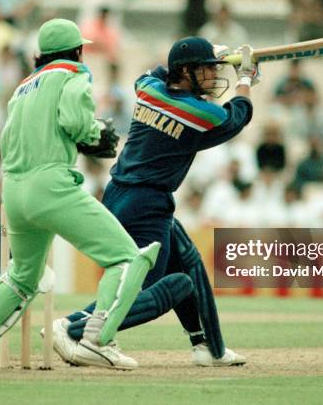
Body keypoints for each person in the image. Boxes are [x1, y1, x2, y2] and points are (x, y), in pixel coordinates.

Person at [0, 18, 161, 371]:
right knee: (126, 258)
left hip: (14, 190)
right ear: (77, 51)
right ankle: (96, 340)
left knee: (22, 276)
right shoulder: (73, 74)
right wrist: (93, 134)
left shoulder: (22, 87)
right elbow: (75, 121)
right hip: (52, 185)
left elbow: (8, 139)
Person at [50, 36, 259, 367]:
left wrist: (212, 56)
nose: (214, 76)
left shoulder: (148, 87)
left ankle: (208, 347)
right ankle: (71, 327)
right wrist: (246, 78)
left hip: (120, 192)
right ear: (185, 72)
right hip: (146, 204)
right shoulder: (197, 112)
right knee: (140, 287)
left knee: (187, 261)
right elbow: (237, 115)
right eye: (206, 70)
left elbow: (155, 72)